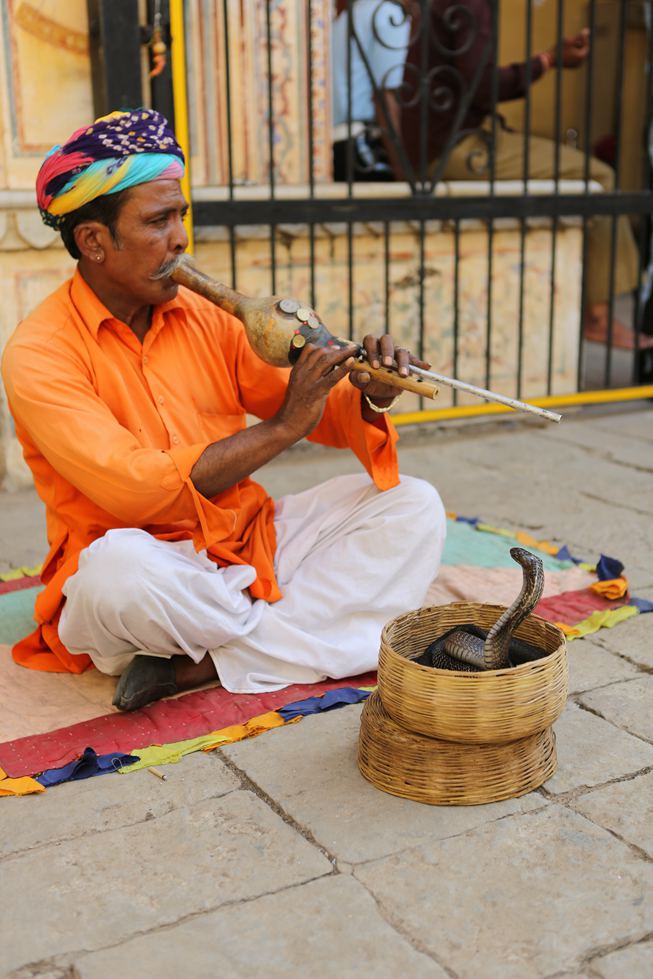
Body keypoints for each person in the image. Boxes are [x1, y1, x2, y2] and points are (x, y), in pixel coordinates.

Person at [1, 108, 446, 712]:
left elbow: (329, 413)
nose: (181, 238)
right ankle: (299, 630)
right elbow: (137, 492)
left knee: (412, 506)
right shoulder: (39, 353)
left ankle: (203, 662)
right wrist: (285, 425)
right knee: (117, 570)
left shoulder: (207, 314)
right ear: (94, 241)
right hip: (143, 570)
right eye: (158, 221)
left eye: (180, 215)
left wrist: (370, 391)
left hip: (240, 543)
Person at [390, 1, 647, 350]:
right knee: (598, 177)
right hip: (454, 149)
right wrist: (548, 60)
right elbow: (481, 85)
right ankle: (598, 317)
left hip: (442, 145)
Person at [331, 0, 411, 180]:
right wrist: (404, 172)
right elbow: (385, 97)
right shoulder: (387, 15)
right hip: (365, 146)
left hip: (340, 145)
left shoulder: (348, 15)